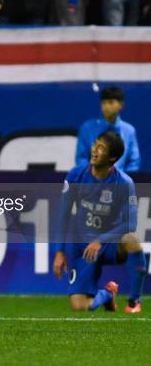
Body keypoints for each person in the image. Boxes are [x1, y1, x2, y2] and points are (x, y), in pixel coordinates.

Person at [53, 131, 146, 313]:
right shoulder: (76, 175)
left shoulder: (124, 183)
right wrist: (59, 251)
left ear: (112, 157)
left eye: (101, 148)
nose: (94, 150)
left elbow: (130, 223)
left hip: (109, 244)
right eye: (95, 144)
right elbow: (63, 215)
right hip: (82, 247)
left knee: (131, 239)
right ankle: (106, 295)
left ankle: (134, 302)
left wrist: (100, 240)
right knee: (80, 307)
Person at [76, 86, 140, 172]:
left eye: (110, 102)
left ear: (121, 105)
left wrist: (123, 180)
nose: (106, 107)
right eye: (103, 103)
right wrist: (92, 176)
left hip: (120, 183)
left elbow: (134, 162)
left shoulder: (129, 131)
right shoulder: (87, 128)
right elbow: (81, 158)